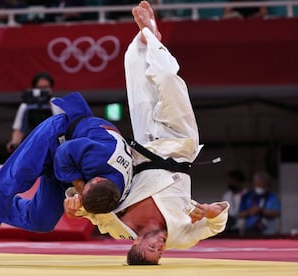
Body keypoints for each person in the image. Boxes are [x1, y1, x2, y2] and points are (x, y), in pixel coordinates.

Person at [64, 1, 229, 265]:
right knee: (166, 79)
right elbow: (216, 225)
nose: (161, 247)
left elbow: (88, 208)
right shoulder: (180, 236)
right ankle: (153, 37)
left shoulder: (118, 226)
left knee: (134, 67)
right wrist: (212, 213)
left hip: (145, 144)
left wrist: (72, 203)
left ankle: (146, 39)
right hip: (179, 143)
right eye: (161, 253)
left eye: (152, 249)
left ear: (137, 244)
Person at [0, 92, 133, 266]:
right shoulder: (100, 156)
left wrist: (78, 205)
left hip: (73, 163)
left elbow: (93, 201)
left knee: (42, 220)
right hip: (56, 136)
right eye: (85, 187)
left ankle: (0, 211)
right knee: (12, 179)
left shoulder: (118, 192)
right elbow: (63, 154)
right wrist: (77, 188)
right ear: (98, 180)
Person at [7, 72, 55, 153]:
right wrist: (14, 143)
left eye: (46, 87)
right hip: (31, 147)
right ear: (34, 89)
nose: (43, 90)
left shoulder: (57, 104)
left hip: (52, 147)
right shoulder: (25, 106)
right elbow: (19, 130)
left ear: (51, 89)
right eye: (40, 87)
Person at [238, 171, 281, 235]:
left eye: (262, 185)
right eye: (258, 185)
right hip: (250, 230)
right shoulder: (247, 196)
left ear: (266, 184)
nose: (260, 187)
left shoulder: (272, 197)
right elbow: (240, 214)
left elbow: (277, 213)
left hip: (268, 231)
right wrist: (249, 212)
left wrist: (261, 211)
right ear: (254, 183)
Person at [221, 170, 247, 234]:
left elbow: (252, 210)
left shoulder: (247, 194)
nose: (230, 183)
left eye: (232, 181)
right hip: (229, 226)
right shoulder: (227, 195)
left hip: (244, 225)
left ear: (239, 181)